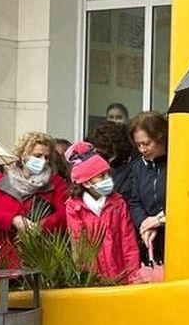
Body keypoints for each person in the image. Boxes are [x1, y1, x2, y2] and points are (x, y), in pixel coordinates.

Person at [0, 133, 70, 266]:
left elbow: (65, 214)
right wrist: (14, 220)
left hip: (42, 257)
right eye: (37, 156)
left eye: (47, 157)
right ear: (23, 156)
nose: (43, 161)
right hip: (6, 255)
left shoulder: (56, 183)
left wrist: (38, 228)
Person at [64, 153, 142, 283]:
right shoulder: (74, 207)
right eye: (102, 176)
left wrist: (133, 276)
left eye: (108, 174)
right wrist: (89, 279)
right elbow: (79, 245)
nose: (108, 179)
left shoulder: (118, 203)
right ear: (87, 183)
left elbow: (128, 241)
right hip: (94, 279)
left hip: (120, 275)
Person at [121, 111, 168, 266]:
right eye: (138, 145)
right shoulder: (138, 166)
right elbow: (134, 201)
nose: (142, 149)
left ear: (161, 138)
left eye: (146, 143)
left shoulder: (177, 162)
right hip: (150, 241)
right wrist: (144, 223)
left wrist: (160, 220)